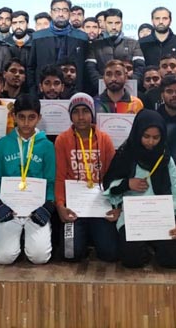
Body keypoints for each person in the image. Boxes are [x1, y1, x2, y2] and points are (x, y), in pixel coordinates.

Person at [103, 109, 176, 268]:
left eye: (156, 137)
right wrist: (127, 184)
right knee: (131, 258)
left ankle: (154, 246)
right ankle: (146, 247)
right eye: (146, 136)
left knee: (175, 259)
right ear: (137, 133)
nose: (151, 142)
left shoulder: (165, 158)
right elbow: (109, 184)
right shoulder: (126, 154)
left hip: (160, 216)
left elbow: (175, 189)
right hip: (132, 217)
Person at [0, 94, 56, 265]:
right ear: (14, 117)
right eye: (22, 117)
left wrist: (48, 206)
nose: (26, 122)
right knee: (3, 258)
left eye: (32, 117)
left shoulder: (47, 146)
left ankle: (29, 242)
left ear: (39, 118)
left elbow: (51, 181)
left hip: (36, 209)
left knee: (39, 257)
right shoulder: (3, 144)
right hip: (10, 210)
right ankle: (15, 243)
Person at [54, 93, 119, 262]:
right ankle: (82, 240)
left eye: (85, 111)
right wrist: (60, 206)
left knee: (110, 254)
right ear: (70, 115)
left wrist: (116, 205)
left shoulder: (105, 139)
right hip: (75, 206)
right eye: (76, 112)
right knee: (70, 253)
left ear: (92, 114)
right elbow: (60, 177)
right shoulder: (62, 140)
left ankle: (93, 237)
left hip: (100, 204)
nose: (81, 117)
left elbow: (114, 177)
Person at [26, 0, 88, 95]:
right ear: (51, 13)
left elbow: (85, 69)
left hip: (75, 93)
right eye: (56, 10)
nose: (60, 14)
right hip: (43, 94)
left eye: (65, 10)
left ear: (69, 14)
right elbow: (31, 68)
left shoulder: (82, 37)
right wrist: (33, 91)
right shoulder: (37, 37)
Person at [85, 8, 144, 92]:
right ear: (104, 24)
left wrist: (130, 84)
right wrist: (102, 85)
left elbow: (140, 68)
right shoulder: (95, 45)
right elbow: (90, 69)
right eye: (110, 23)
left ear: (122, 24)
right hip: (101, 91)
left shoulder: (133, 43)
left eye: (117, 23)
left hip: (128, 90)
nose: (113, 27)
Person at [139, 6, 176, 84]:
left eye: (165, 18)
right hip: (149, 91)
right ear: (152, 20)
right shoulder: (141, 44)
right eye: (157, 18)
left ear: (170, 21)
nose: (161, 22)